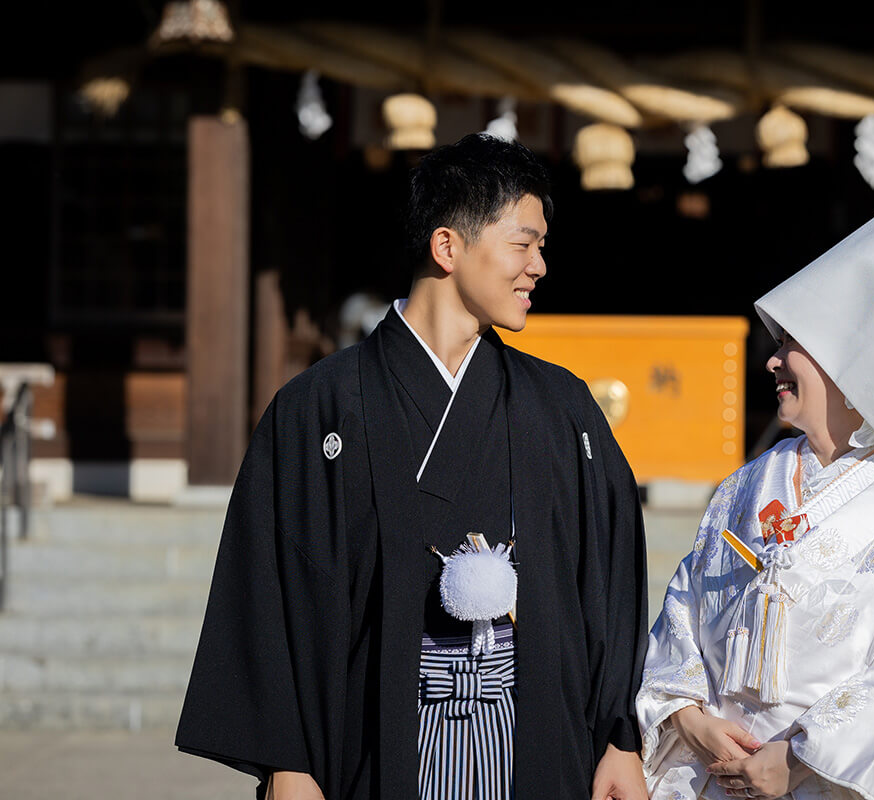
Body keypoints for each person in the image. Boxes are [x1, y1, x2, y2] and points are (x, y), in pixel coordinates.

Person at [177, 133, 649, 800]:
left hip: (533, 742)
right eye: (523, 243)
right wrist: (289, 763)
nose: (539, 265)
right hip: (374, 743)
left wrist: (619, 738)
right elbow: (269, 590)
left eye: (542, 245)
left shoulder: (560, 405)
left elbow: (609, 581)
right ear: (447, 246)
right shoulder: (319, 409)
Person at [636, 181, 874, 800]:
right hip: (716, 768)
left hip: (824, 780)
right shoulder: (748, 482)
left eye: (791, 346)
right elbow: (684, 608)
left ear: (856, 362)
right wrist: (690, 718)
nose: (772, 363)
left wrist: (797, 759)